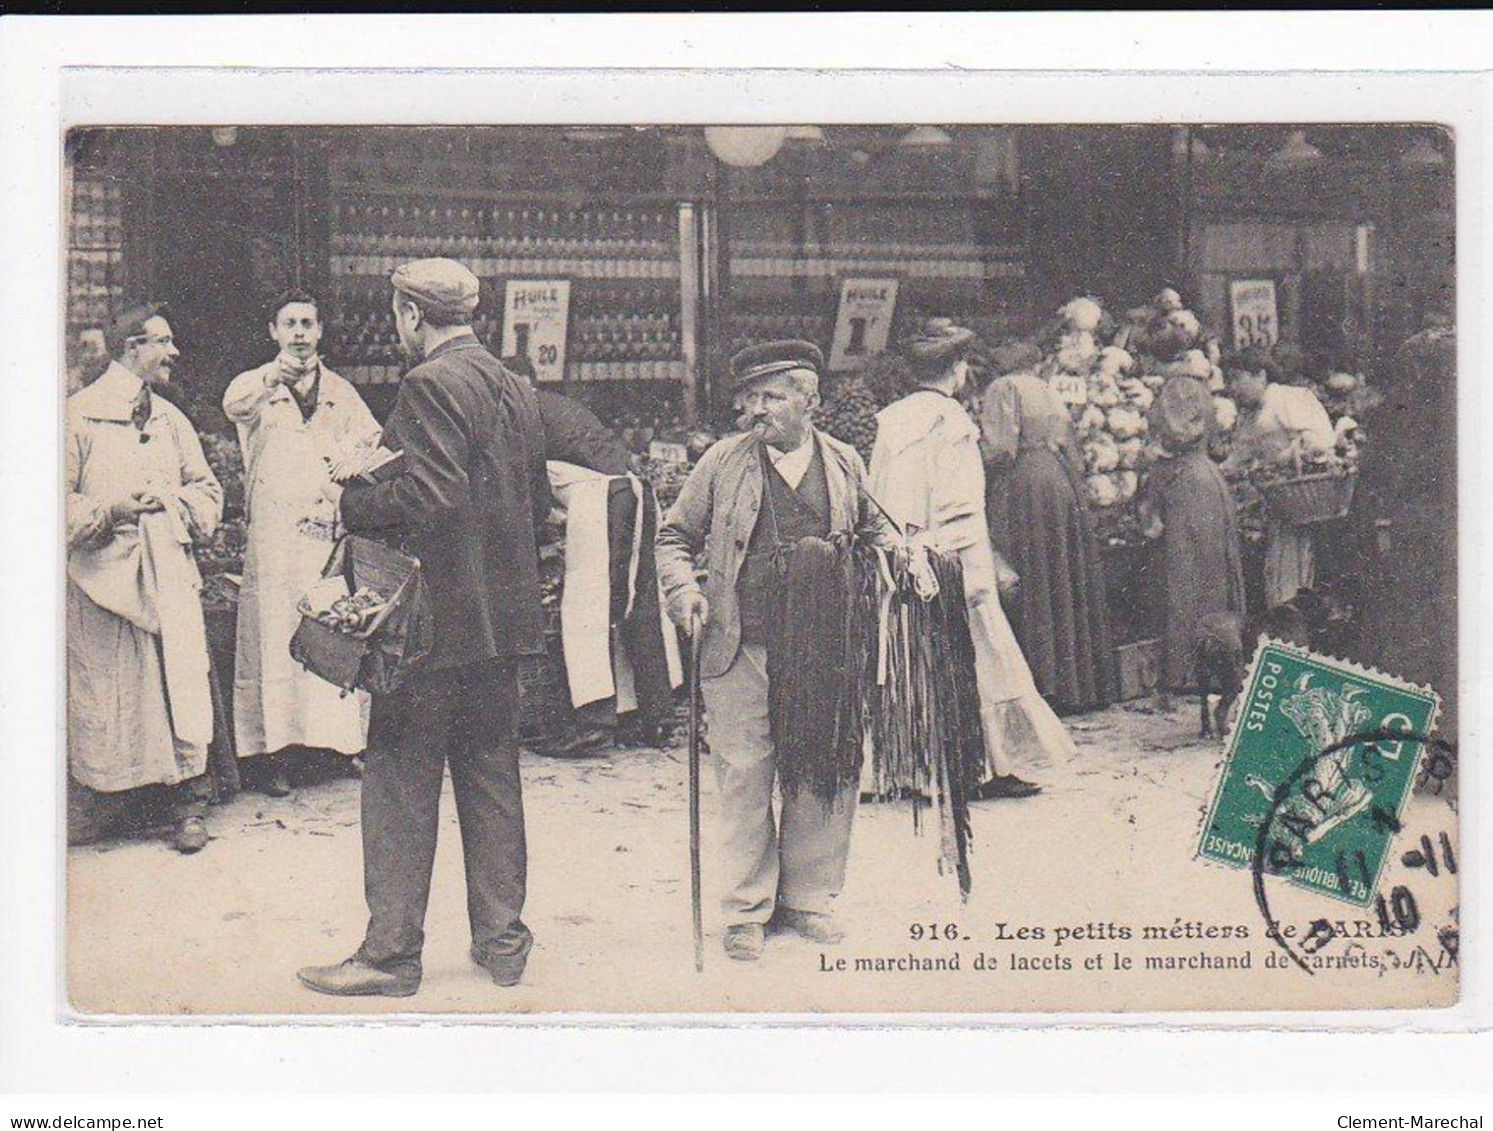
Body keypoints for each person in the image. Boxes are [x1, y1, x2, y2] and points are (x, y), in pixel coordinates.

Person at [297, 259, 548, 997]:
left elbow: (431, 493)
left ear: (410, 314)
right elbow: (530, 495)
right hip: (501, 622)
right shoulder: (514, 386)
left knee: (401, 778)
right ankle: (504, 942)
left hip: (433, 626)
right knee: (490, 771)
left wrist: (352, 500)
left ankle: (391, 954)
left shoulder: (428, 383)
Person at [656, 340, 895, 961]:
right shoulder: (723, 463)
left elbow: (876, 535)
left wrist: (901, 561)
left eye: (772, 398)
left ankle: (808, 900)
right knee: (744, 773)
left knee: (824, 768)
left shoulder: (843, 463)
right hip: (742, 643)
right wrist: (685, 594)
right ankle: (744, 910)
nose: (757, 411)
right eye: (750, 399)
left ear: (808, 402)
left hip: (826, 646)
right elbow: (673, 536)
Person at [871, 320, 1074, 800]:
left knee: (912, 660)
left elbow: (877, 496)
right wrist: (975, 574)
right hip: (948, 559)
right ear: (956, 370)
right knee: (979, 660)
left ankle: (915, 768)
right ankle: (981, 766)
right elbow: (960, 507)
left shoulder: (892, 423)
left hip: (902, 556)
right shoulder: (953, 423)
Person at [66, 303, 224, 853]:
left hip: (168, 575)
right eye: (164, 341)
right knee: (113, 692)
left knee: (178, 684)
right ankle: (110, 803)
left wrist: (175, 503)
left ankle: (187, 805)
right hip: (102, 581)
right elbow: (48, 503)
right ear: (132, 348)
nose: (174, 352)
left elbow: (207, 491)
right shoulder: (77, 417)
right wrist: (111, 510)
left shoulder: (170, 420)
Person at [223, 289, 382, 797]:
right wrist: (274, 378)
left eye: (307, 324)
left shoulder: (340, 390)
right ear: (273, 332)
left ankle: (335, 745)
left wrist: (353, 462)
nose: (298, 334)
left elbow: (371, 439)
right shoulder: (255, 387)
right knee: (274, 635)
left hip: (323, 532)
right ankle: (274, 754)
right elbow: (234, 405)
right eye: (288, 324)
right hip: (274, 537)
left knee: (331, 629)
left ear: (319, 332)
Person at [500, 356, 676, 749]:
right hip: (635, 492)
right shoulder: (556, 405)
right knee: (638, 606)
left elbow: (533, 494)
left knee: (586, 609)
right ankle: (652, 714)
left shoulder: (521, 417)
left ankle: (593, 721)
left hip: (601, 501)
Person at [979, 357, 1117, 715]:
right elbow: (1067, 439)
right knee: (1064, 576)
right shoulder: (1042, 386)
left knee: (1036, 576)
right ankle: (1079, 682)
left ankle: (1046, 682)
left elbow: (1000, 449)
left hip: (1026, 485)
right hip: (1056, 477)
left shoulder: (1003, 388)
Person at [1140, 375, 1246, 702]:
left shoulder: (1175, 394)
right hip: (1208, 480)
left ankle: (1189, 667)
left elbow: (1176, 435)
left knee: (1186, 575)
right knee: (1214, 572)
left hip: (1188, 487)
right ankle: (1219, 662)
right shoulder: (1200, 393)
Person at [1225, 348, 1336, 609]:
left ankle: (1294, 623)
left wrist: (1284, 459)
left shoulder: (1288, 398)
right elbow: (1240, 456)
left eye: (1236, 378)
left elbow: (1321, 441)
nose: (1232, 388)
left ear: (1260, 375)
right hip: (1280, 504)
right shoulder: (1250, 415)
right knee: (1278, 568)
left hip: (1305, 497)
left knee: (1295, 568)